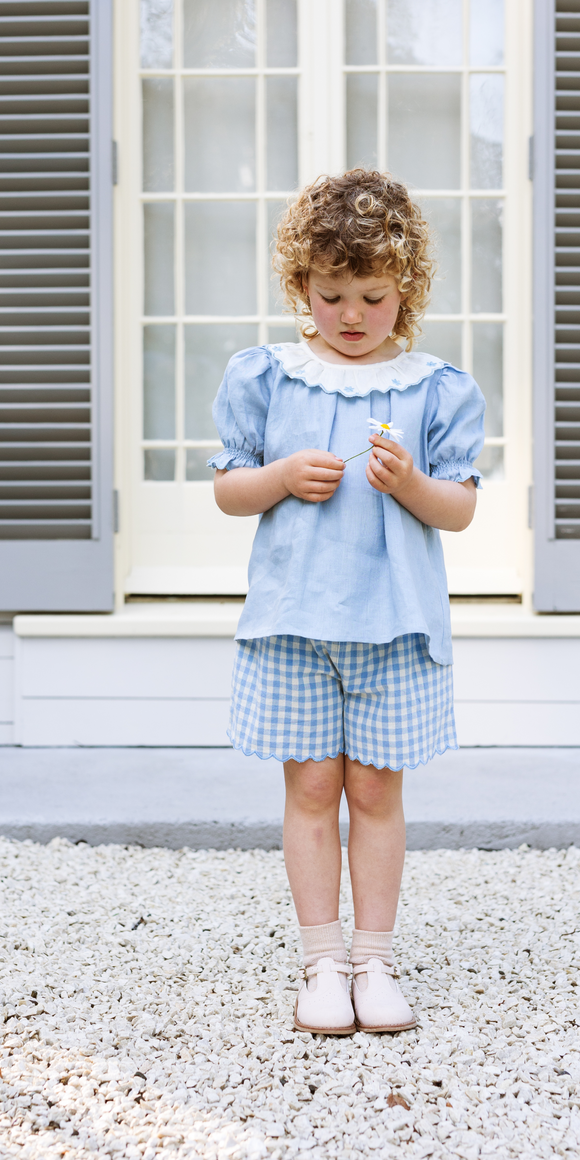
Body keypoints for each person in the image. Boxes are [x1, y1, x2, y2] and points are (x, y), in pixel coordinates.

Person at [208, 169, 485, 1035]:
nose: (353, 314)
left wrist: (410, 484)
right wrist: (282, 475)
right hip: (296, 625)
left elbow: (463, 506)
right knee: (311, 788)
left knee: (373, 791)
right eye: (332, 295)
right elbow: (227, 489)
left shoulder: (435, 388)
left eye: (372, 294)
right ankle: (321, 960)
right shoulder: (268, 377)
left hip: (391, 627)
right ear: (303, 287)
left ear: (405, 289)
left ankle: (375, 959)